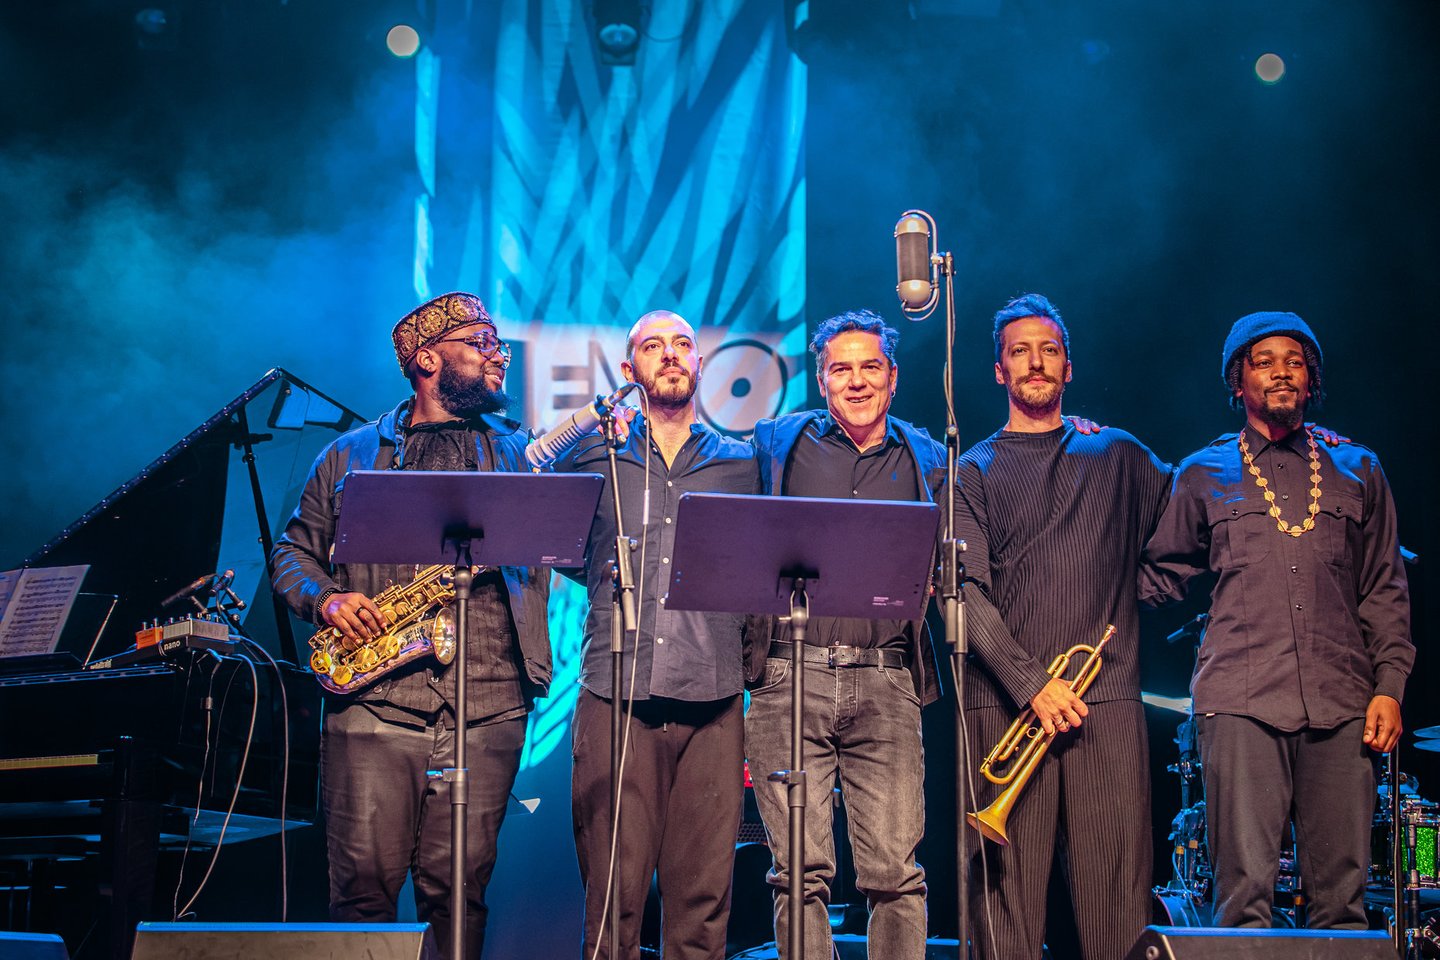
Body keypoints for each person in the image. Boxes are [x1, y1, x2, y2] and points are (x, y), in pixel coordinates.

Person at [270, 292, 552, 959]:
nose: (498, 356)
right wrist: (327, 601)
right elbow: (291, 554)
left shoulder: (520, 454)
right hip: (373, 699)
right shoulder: (348, 455)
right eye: (480, 343)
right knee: (361, 895)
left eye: (498, 344)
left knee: (459, 896)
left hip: (490, 704)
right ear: (427, 359)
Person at [1140, 310, 1413, 928]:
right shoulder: (1202, 472)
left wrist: (1391, 687)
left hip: (1343, 704)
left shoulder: (1359, 468)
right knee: (1242, 902)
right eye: (1264, 362)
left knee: (1343, 906)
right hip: (1239, 703)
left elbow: (1385, 589)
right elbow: (1159, 577)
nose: (1281, 372)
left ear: (1311, 380)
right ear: (1238, 382)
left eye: (1295, 361)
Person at [956, 293, 1171, 960]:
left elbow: (1189, 528)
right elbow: (962, 595)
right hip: (1005, 707)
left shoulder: (1117, 453)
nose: (1035, 362)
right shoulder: (973, 470)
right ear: (999, 371)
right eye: (1019, 352)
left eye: (1048, 350)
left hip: (1105, 704)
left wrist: (1128, 594)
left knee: (1118, 907)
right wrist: (1032, 685)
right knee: (1005, 915)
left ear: (1068, 368)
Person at [555, 310, 760, 960]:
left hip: (714, 700)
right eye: (652, 346)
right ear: (628, 369)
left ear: (700, 362)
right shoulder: (596, 455)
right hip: (615, 696)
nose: (669, 355)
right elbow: (532, 502)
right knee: (612, 905)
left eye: (682, 344)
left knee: (701, 911)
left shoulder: (743, 463)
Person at [744, 309, 943, 960]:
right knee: (797, 874)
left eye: (870, 367)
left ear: (893, 377)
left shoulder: (930, 459)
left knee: (895, 874)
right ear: (822, 380)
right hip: (788, 676)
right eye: (841, 369)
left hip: (887, 679)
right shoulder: (776, 444)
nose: (856, 381)